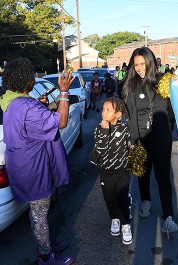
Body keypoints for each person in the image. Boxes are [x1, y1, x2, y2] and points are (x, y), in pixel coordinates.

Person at [0, 57, 75, 265]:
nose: (34, 78)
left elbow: (29, 121)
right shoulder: (26, 106)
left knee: (40, 210)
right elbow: (60, 121)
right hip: (33, 168)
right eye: (32, 75)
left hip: (21, 163)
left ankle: (47, 245)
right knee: (39, 214)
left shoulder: (9, 100)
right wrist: (64, 91)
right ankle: (45, 256)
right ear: (27, 81)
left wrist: (39, 106)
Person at [123, 47, 178, 236]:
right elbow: (131, 116)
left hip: (162, 137)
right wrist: (133, 142)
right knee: (143, 174)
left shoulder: (164, 81)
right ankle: (146, 202)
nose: (140, 68)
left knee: (163, 177)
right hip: (141, 138)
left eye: (143, 64)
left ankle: (169, 218)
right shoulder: (130, 85)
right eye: (136, 64)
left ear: (151, 63)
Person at [91, 97, 133, 245]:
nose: (104, 112)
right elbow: (100, 149)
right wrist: (104, 130)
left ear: (118, 114)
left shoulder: (124, 128)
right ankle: (114, 218)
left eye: (109, 110)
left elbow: (129, 146)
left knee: (122, 198)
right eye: (103, 109)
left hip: (122, 172)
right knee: (109, 198)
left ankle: (126, 224)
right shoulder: (98, 129)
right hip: (106, 172)